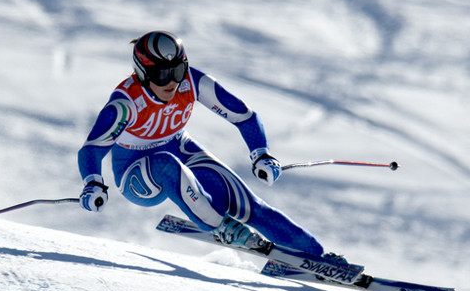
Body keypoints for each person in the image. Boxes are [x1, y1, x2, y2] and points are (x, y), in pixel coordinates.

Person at [77, 30, 335, 258]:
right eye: (162, 74)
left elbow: (244, 116)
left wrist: (261, 154)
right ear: (143, 73)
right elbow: (92, 147)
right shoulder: (126, 103)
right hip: (136, 173)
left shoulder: (191, 82)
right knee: (167, 165)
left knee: (249, 205)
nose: (172, 82)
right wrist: (93, 183)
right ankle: (221, 226)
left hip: (178, 147)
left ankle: (317, 256)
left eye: (177, 71)